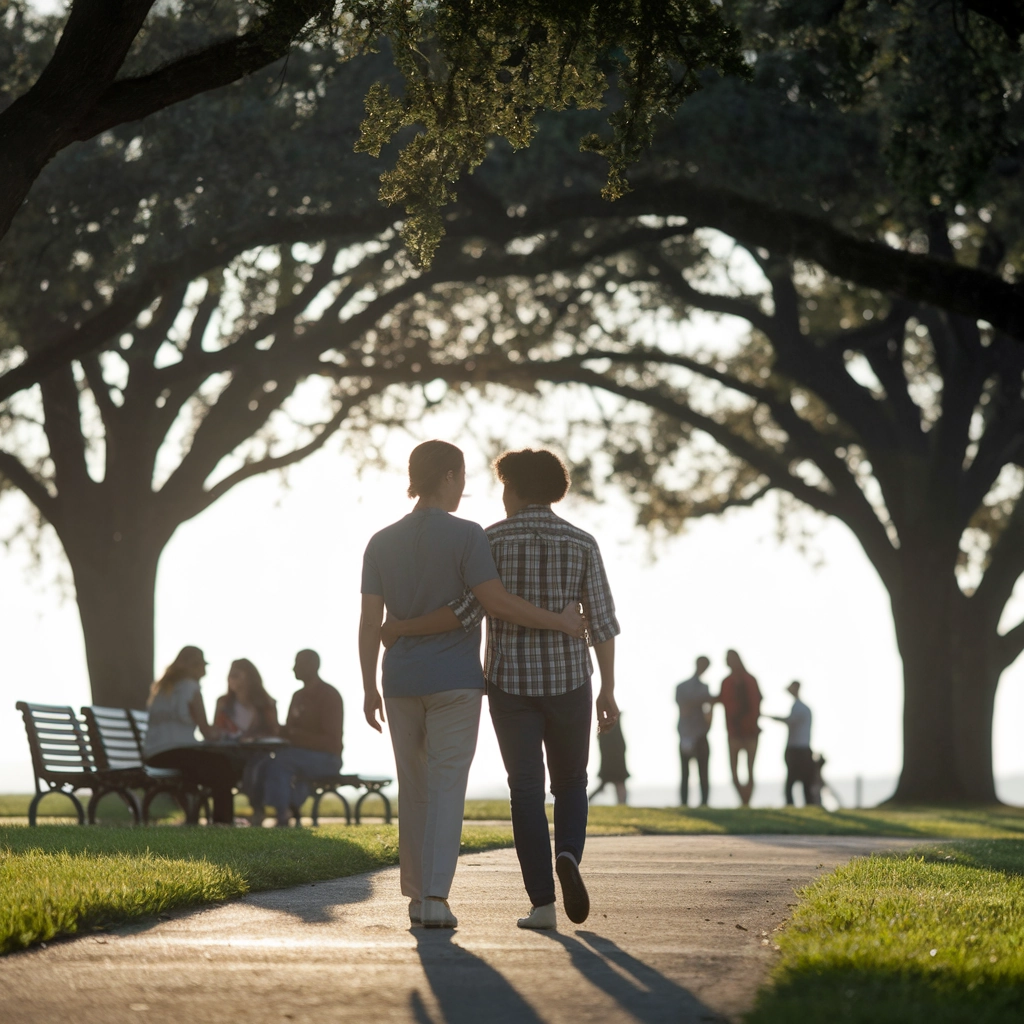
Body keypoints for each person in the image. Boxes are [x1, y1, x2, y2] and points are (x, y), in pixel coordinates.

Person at [384, 447, 619, 932]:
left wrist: (402, 628)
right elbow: (602, 623)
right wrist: (608, 689)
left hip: (510, 687)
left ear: (513, 488)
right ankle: (569, 853)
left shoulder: (489, 540)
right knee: (572, 781)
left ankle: (542, 905)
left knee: (526, 789)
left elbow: (467, 612)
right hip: (572, 681)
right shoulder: (582, 542)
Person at [143, 645, 237, 824]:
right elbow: (207, 732)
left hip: (153, 756)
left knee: (214, 765)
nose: (205, 671)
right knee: (224, 767)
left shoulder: (161, 689)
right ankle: (222, 824)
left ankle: (197, 817)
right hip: (177, 753)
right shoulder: (190, 687)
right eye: (203, 665)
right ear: (195, 666)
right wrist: (229, 734)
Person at [263, 649, 343, 827]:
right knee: (268, 761)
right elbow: (288, 732)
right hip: (299, 757)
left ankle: (282, 815)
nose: (293, 668)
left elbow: (331, 741)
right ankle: (284, 809)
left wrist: (295, 737)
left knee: (282, 761)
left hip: (328, 759)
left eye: (298, 663)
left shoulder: (329, 695)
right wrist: (272, 721)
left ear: (312, 665)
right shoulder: (297, 696)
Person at [213, 658, 279, 823]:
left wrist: (254, 737)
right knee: (219, 768)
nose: (231, 679)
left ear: (249, 677)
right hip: (229, 753)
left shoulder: (265, 703)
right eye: (230, 675)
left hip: (258, 753)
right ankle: (223, 818)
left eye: (236, 675)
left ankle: (258, 810)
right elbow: (216, 730)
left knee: (255, 768)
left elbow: (274, 731)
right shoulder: (223, 703)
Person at [717, 649, 761, 807]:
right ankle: (744, 801)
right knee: (734, 773)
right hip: (733, 732)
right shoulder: (726, 682)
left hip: (750, 732)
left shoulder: (750, 680)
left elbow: (757, 702)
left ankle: (746, 803)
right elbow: (720, 700)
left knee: (749, 770)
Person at [767, 681, 817, 806]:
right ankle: (801, 804)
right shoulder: (802, 707)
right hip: (801, 748)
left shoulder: (800, 707)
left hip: (798, 749)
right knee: (800, 780)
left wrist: (773, 718)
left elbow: (791, 721)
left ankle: (798, 804)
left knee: (794, 780)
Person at [676, 656, 712, 807]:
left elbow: (708, 709)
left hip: (700, 734)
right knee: (686, 774)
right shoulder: (683, 687)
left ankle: (703, 803)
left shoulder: (703, 688)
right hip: (687, 734)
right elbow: (684, 708)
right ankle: (685, 803)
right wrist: (701, 700)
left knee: (702, 773)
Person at [589, 715, 629, 805]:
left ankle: (622, 804)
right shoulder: (610, 731)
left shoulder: (605, 732)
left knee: (609, 785)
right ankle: (622, 804)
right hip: (614, 764)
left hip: (612, 763)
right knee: (618, 784)